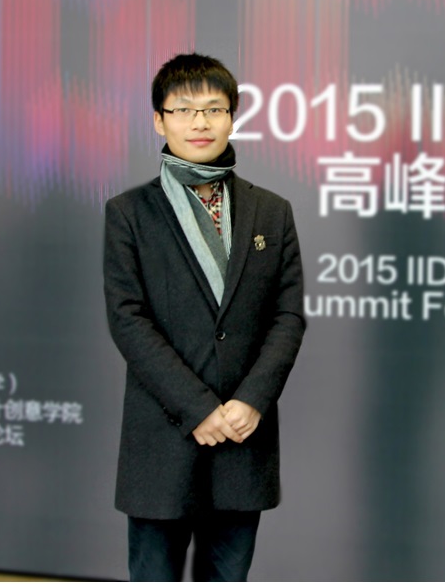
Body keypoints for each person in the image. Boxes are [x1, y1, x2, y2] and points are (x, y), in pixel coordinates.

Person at [103, 52, 306, 582]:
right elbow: (128, 320)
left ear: (232, 118)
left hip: (242, 436)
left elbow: (288, 316)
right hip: (163, 438)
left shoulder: (271, 211)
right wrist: (198, 408)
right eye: (184, 110)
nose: (200, 122)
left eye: (214, 109)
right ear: (159, 120)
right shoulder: (128, 213)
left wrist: (252, 400)